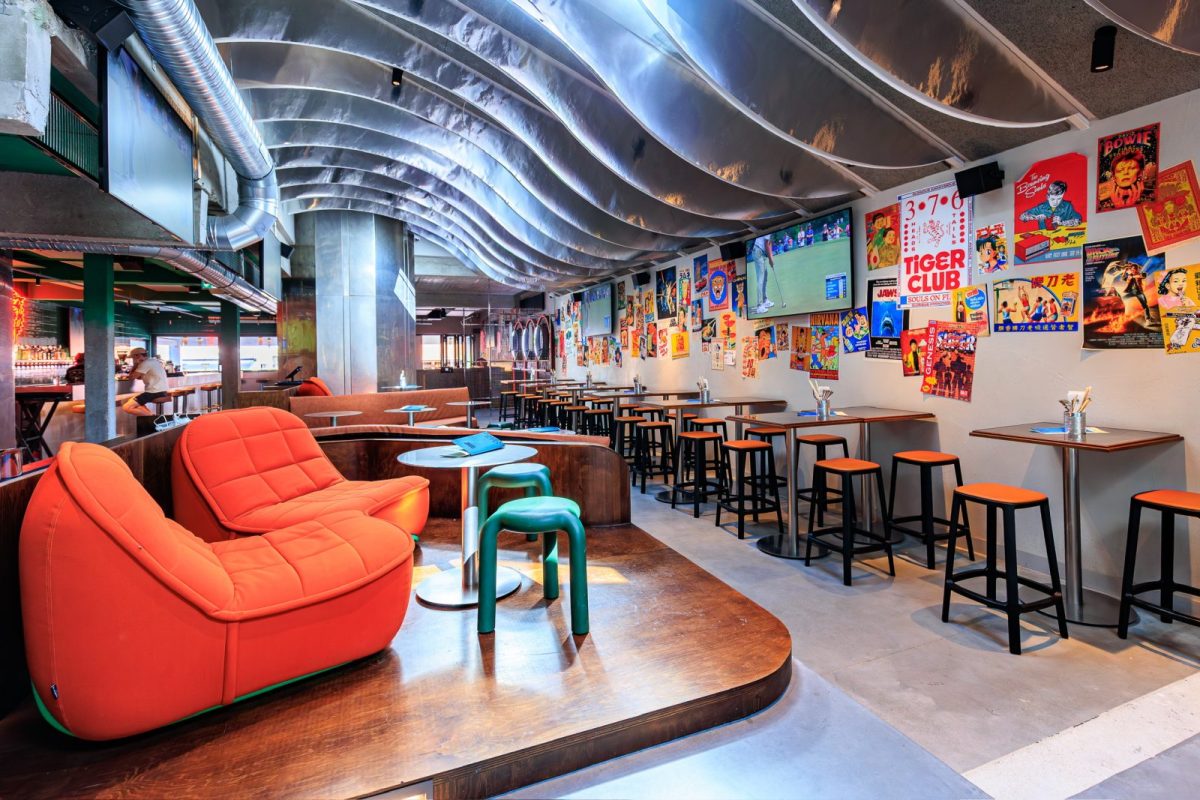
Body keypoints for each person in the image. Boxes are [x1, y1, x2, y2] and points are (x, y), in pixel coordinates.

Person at [121, 347, 170, 417]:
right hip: (161, 391)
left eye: (133, 357)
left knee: (126, 407)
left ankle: (153, 418)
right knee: (135, 403)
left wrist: (135, 364)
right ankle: (152, 417)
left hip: (153, 392)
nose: (133, 359)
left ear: (137, 356)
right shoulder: (153, 361)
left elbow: (131, 377)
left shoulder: (145, 363)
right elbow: (139, 377)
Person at [748, 234, 775, 314]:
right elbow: (767, 244)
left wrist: (771, 258)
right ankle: (760, 306)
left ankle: (765, 300)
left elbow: (769, 244)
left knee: (765, 276)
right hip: (758, 251)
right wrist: (770, 259)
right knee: (761, 279)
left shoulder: (771, 234)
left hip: (760, 252)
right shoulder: (768, 231)